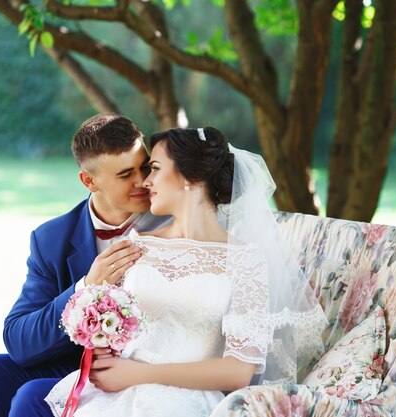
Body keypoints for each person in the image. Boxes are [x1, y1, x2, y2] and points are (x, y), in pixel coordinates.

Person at [44, 127, 328, 417]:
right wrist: (104, 348)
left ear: (190, 177)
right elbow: (114, 323)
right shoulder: (136, 244)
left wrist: (138, 375)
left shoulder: (245, 261)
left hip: (184, 401)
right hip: (114, 393)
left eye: (154, 169)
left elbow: (239, 370)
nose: (146, 181)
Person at [0, 114, 169, 417]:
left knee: (33, 396)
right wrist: (86, 288)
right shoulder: (53, 238)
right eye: (125, 175)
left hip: (149, 368)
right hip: (75, 365)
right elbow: (20, 340)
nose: (143, 182)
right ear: (89, 180)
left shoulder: (176, 221)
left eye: (145, 166)